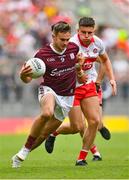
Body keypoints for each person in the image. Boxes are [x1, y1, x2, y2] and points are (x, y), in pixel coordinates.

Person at [11, 21, 87, 168]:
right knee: (47, 113)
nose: (65, 43)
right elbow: (27, 79)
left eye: (67, 39)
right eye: (62, 39)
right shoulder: (42, 54)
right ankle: (23, 152)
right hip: (49, 90)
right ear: (53, 37)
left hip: (67, 96)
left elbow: (78, 72)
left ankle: (22, 153)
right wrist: (22, 75)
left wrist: (79, 68)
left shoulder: (73, 49)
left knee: (43, 135)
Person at [44, 17, 117, 166]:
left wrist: (111, 79)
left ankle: (81, 158)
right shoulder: (70, 44)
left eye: (90, 32)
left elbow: (104, 60)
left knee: (94, 121)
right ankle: (52, 133)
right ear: (77, 31)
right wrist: (79, 70)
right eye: (83, 32)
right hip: (71, 88)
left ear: (94, 31)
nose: (87, 36)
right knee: (76, 126)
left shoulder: (98, 42)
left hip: (88, 84)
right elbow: (65, 68)